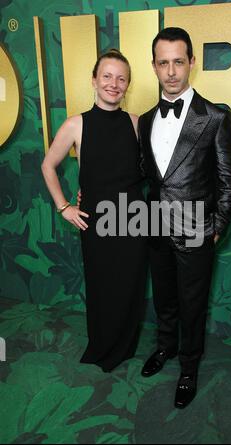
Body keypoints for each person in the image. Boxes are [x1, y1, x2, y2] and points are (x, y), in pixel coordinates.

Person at [138, 28, 231, 408]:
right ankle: (165, 347)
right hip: (155, 226)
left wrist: (216, 228)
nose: (171, 72)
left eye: (178, 62)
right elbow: (145, 173)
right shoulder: (147, 119)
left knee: (193, 303)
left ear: (191, 62)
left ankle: (189, 367)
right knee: (165, 296)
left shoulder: (214, 117)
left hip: (197, 228)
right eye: (163, 63)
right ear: (154, 66)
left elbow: (229, 180)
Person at [41, 50, 148, 372]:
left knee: (131, 286)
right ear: (94, 80)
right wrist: (65, 207)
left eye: (121, 78)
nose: (113, 84)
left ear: (127, 84)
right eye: (107, 76)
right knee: (103, 286)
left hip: (133, 220)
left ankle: (125, 347)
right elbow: (48, 165)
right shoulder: (76, 124)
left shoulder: (136, 124)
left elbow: (148, 171)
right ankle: (102, 346)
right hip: (97, 223)